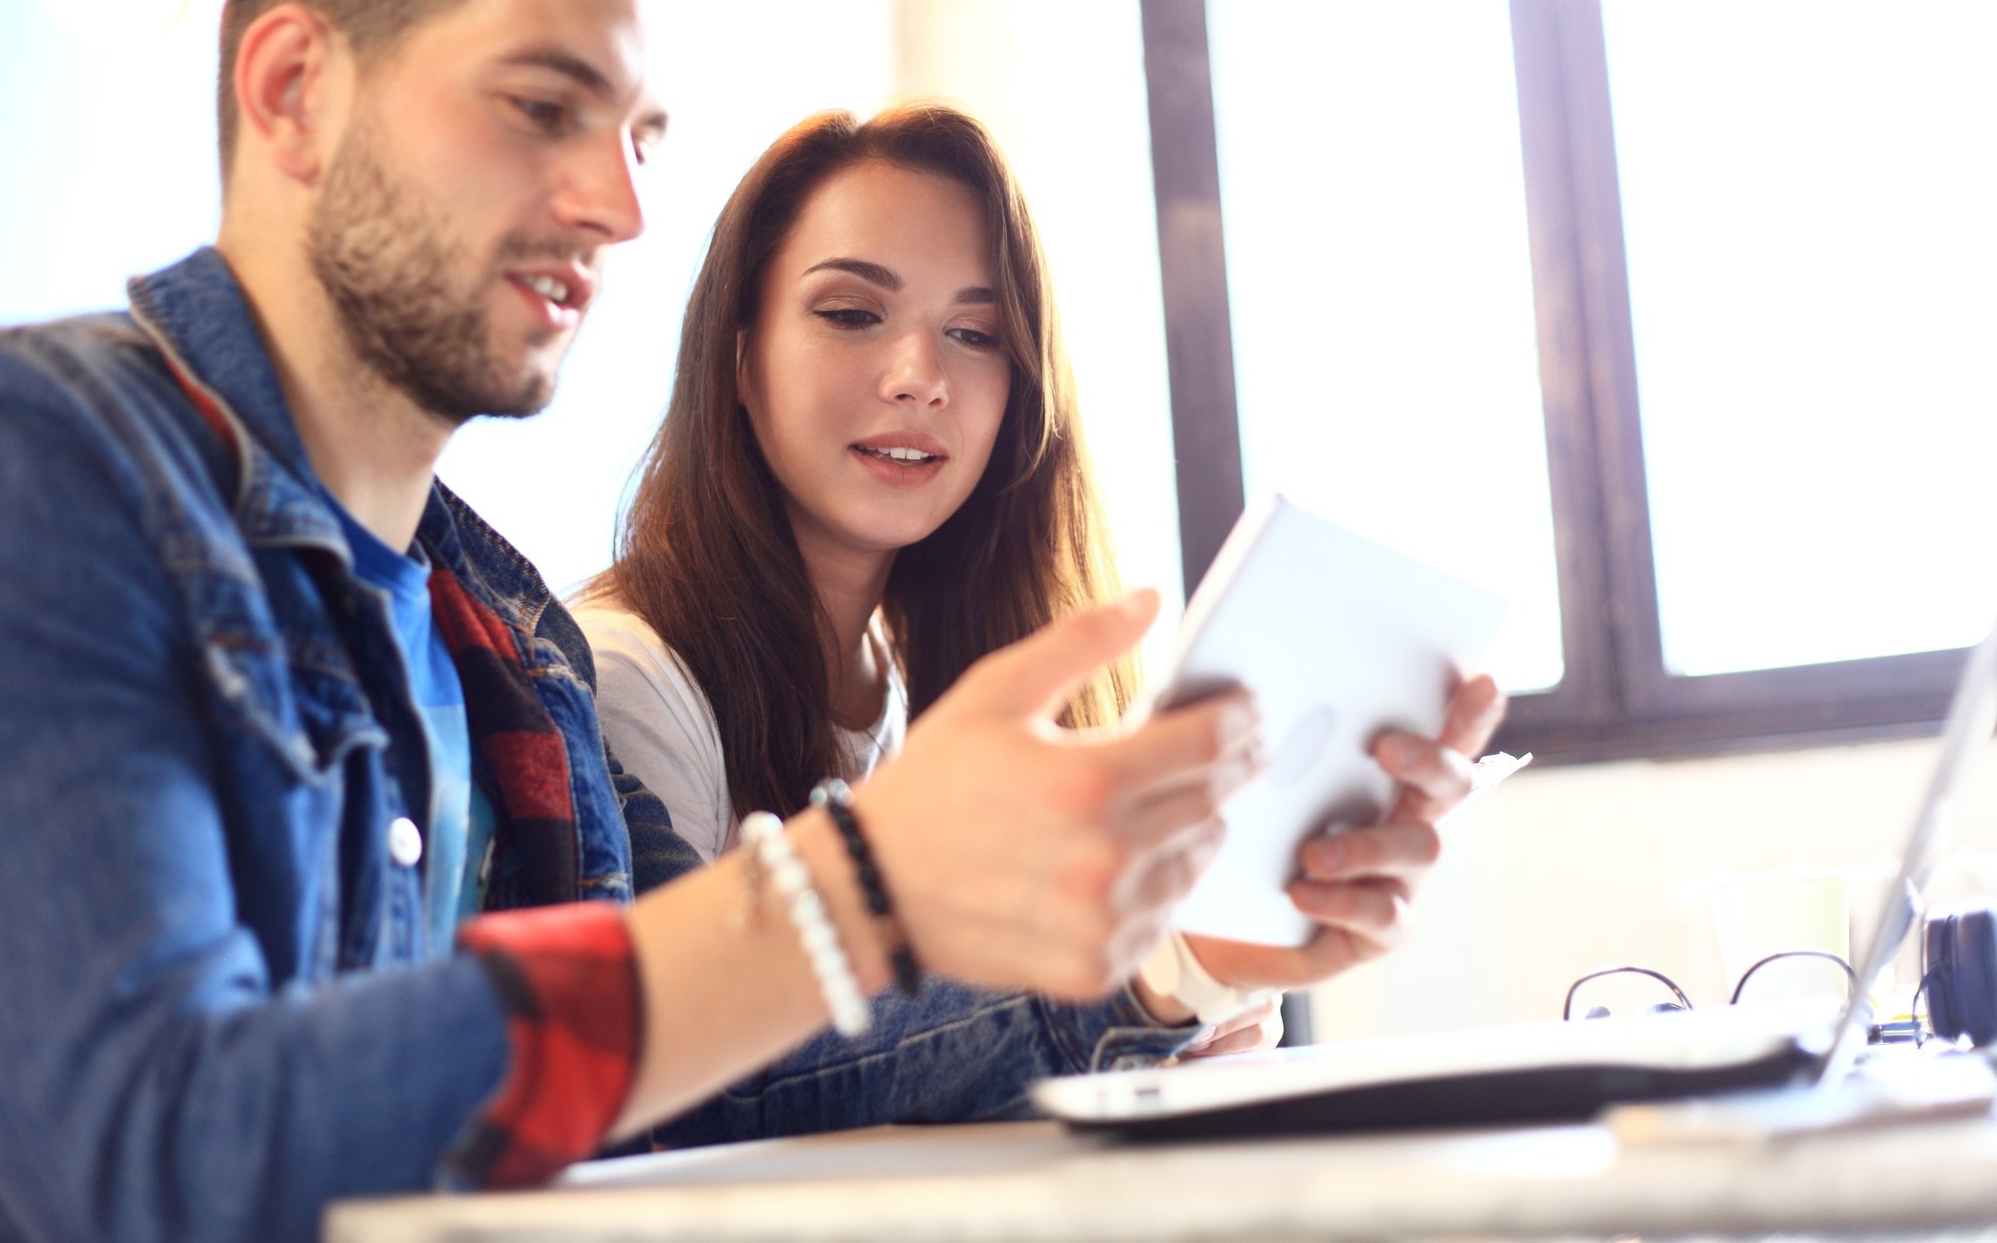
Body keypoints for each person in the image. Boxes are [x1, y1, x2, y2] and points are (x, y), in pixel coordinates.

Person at [0, 0, 1494, 1243]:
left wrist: (1173, 957)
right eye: (542, 105)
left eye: (642, 132)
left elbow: (702, 1089)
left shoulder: (495, 622)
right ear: (294, 88)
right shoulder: (19, 458)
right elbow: (161, 1154)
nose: (622, 205)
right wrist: (858, 890)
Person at [574, 103, 1498, 1057]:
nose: (918, 377)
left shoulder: (923, 681)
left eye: (976, 335)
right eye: (851, 315)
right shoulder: (628, 676)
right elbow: (687, 1088)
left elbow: (923, 1066)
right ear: (736, 354)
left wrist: (1176, 1015)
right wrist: (1154, 984)